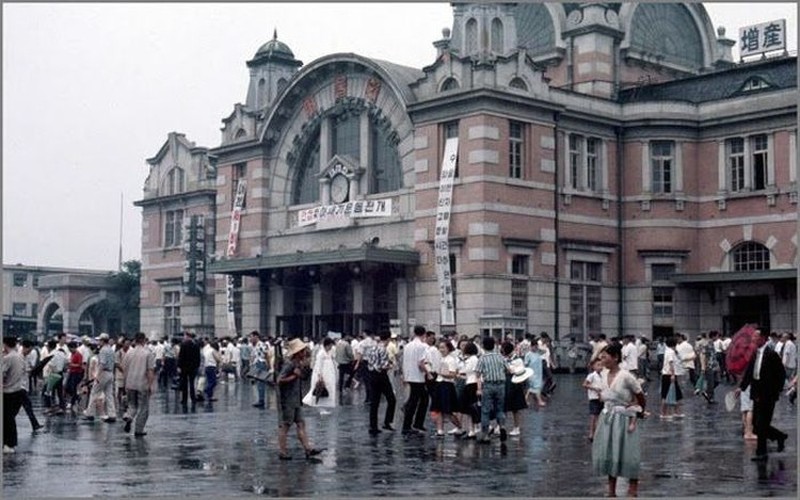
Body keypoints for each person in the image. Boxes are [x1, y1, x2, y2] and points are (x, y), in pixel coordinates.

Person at [592, 342, 646, 498]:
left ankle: (633, 487)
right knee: (609, 451)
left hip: (624, 419)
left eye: (605, 355)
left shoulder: (626, 376)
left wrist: (637, 410)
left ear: (615, 358)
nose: (602, 358)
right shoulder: (602, 374)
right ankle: (611, 490)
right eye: (601, 355)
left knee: (628, 452)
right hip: (607, 418)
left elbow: (640, 396)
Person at [737, 329, 788, 461]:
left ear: (763, 338)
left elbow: (781, 374)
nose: (753, 339)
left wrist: (776, 391)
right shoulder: (755, 354)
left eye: (756, 336)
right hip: (756, 392)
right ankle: (779, 436)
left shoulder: (771, 354)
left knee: (762, 423)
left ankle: (761, 453)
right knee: (757, 423)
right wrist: (741, 388)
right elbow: (750, 373)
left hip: (768, 394)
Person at [276, 338, 323, 461]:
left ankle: (308, 448)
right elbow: (279, 380)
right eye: (302, 351)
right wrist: (293, 376)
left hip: (296, 398)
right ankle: (282, 451)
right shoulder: (289, 364)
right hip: (288, 399)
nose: (304, 353)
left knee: (301, 423)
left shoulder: (298, 363)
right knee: (285, 425)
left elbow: (303, 376)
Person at [121, 333, 156, 436]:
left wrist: (125, 382)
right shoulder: (147, 353)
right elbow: (150, 371)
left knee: (132, 404)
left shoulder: (129, 353)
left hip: (130, 383)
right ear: (144, 340)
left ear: (135, 340)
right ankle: (139, 429)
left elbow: (124, 368)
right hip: (142, 384)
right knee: (144, 407)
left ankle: (129, 416)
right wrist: (150, 385)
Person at [476, 336, 508, 443]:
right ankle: (502, 426)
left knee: (485, 410)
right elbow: (508, 369)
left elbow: (478, 374)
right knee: (500, 408)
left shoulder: (482, 358)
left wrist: (479, 389)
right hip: (501, 385)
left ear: (483, 346)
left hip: (488, 385)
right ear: (494, 345)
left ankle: (485, 435)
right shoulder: (500, 357)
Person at [365, 332, 397, 435]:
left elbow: (369, 362)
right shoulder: (383, 350)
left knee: (375, 402)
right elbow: (384, 365)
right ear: (387, 339)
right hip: (381, 376)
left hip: (371, 375)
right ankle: (387, 421)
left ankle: (373, 426)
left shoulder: (372, 348)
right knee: (391, 399)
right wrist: (391, 365)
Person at [401, 325, 430, 434]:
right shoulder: (422, 346)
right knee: (418, 400)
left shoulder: (407, 346)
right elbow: (421, 363)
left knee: (420, 399)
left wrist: (404, 375)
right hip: (418, 376)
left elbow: (404, 361)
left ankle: (416, 423)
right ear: (424, 334)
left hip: (409, 375)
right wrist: (428, 373)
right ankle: (409, 425)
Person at [83, 333, 116, 423]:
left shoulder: (103, 350)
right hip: (110, 373)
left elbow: (102, 363)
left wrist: (97, 375)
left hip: (103, 373)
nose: (98, 342)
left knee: (94, 392)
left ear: (102, 341)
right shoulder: (111, 350)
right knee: (109, 395)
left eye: (99, 340)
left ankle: (90, 413)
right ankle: (112, 414)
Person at [3, 336, 27, 453]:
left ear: (5, 344)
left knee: (7, 419)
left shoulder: (8, 358)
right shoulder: (20, 356)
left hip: (7, 392)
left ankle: (9, 443)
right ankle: (11, 443)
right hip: (18, 391)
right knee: (10, 418)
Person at [302, 337, 337, 414]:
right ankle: (320, 408)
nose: (331, 347)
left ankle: (325, 407)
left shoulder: (329, 353)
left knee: (328, 391)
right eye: (330, 345)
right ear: (327, 345)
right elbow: (318, 366)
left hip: (329, 374)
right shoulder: (321, 353)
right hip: (323, 374)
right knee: (320, 390)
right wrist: (320, 375)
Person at [659, 336, 683, 419]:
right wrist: (673, 374)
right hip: (669, 375)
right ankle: (664, 413)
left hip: (666, 374)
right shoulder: (670, 352)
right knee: (666, 394)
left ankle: (676, 411)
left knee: (676, 394)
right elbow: (671, 363)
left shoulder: (668, 351)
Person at [177, 332, 201, 407]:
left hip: (184, 367)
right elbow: (198, 357)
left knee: (184, 383)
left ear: (187, 336)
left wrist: (179, 366)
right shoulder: (196, 345)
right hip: (193, 367)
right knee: (192, 383)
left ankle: (184, 399)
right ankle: (193, 398)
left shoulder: (183, 345)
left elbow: (181, 357)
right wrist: (197, 366)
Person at [583, 358, 604, 442]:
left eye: (601, 365)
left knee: (599, 416)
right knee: (593, 416)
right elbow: (584, 384)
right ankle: (591, 432)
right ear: (593, 367)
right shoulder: (591, 375)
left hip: (601, 398)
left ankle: (598, 432)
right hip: (593, 398)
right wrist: (594, 388)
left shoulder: (603, 375)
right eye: (598, 365)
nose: (600, 367)